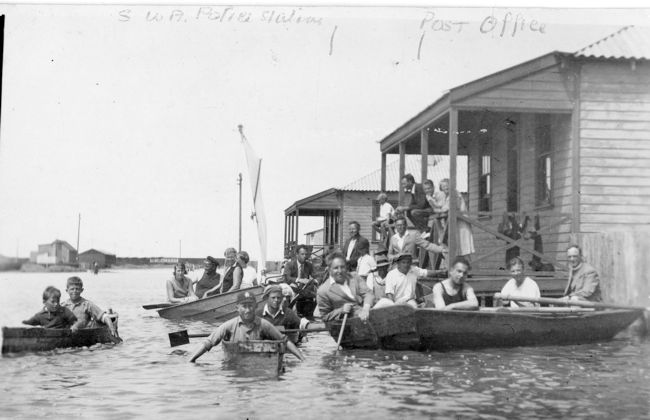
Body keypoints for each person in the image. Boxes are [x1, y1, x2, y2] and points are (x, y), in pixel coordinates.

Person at [189, 290, 304, 362]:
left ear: (255, 307)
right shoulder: (228, 326)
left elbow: (285, 341)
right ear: (237, 308)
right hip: (235, 366)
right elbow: (207, 343)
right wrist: (191, 361)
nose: (248, 310)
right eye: (244, 306)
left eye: (250, 306)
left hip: (256, 364)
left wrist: (303, 359)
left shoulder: (264, 325)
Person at [316, 252, 374, 323]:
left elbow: (368, 293)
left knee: (386, 303)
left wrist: (365, 309)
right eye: (336, 268)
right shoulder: (323, 291)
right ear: (329, 270)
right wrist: (341, 310)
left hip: (367, 314)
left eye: (342, 267)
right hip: (348, 324)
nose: (340, 271)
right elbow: (325, 317)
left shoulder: (354, 276)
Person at [374, 253, 442, 308]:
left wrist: (441, 272)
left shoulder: (413, 270)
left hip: (410, 301)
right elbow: (389, 293)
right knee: (383, 302)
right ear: (398, 264)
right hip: (395, 302)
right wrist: (394, 307)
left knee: (413, 306)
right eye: (403, 262)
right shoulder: (391, 274)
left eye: (408, 262)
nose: (406, 265)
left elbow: (426, 272)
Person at [438, 178, 475, 259]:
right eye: (443, 186)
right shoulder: (446, 196)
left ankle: (469, 269)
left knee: (464, 248)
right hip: (455, 224)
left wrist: (439, 210)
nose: (445, 187)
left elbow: (451, 207)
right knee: (458, 249)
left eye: (447, 185)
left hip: (462, 223)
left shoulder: (455, 194)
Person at [283, 245, 317, 319]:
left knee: (317, 294)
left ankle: (309, 316)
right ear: (297, 254)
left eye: (306, 254)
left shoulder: (309, 265)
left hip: (305, 290)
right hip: (293, 289)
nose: (305, 256)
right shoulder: (289, 264)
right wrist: (299, 279)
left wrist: (314, 280)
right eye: (302, 254)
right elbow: (286, 278)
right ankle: (291, 315)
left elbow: (316, 276)